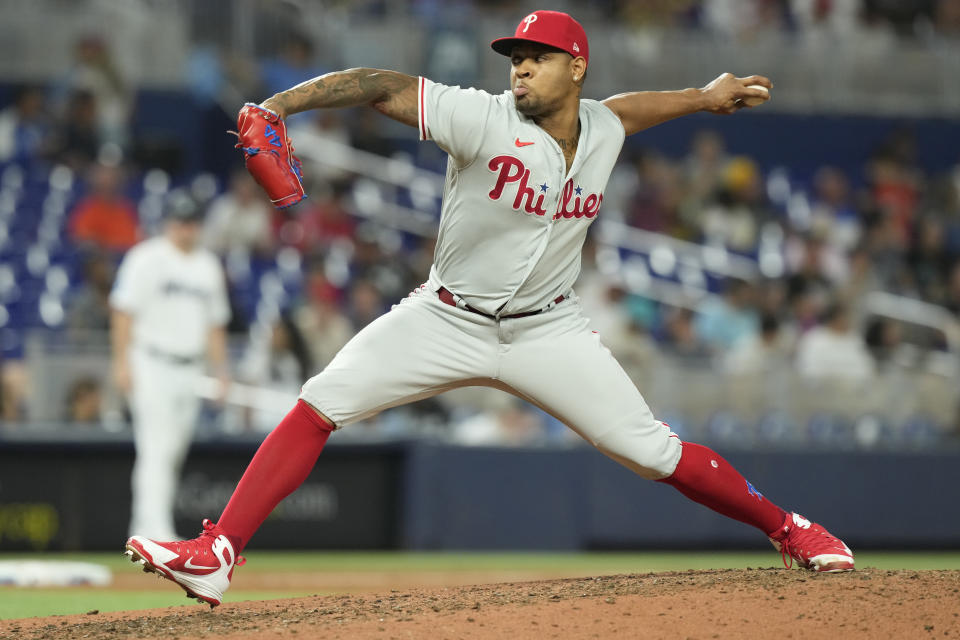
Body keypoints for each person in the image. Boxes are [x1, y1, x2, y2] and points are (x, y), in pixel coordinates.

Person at [125, 11, 854, 608]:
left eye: (539, 57)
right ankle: (217, 552)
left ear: (577, 69)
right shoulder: (479, 116)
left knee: (651, 452)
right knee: (320, 401)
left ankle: (789, 529)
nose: (521, 68)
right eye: (516, 57)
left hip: (549, 329)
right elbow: (378, 84)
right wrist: (279, 105)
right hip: (445, 318)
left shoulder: (600, 126)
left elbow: (627, 112)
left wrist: (702, 96)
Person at [111, 192, 231, 541]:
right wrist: (121, 362)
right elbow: (123, 312)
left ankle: (142, 531)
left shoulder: (207, 265)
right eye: (180, 221)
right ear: (168, 222)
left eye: (191, 221)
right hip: (150, 360)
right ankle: (157, 534)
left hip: (190, 369)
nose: (185, 228)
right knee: (157, 447)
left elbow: (215, 325)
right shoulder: (146, 258)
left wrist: (221, 371)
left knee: (173, 450)